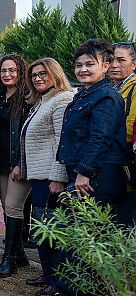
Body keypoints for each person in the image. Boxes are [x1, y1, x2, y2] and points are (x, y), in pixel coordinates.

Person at [55, 39, 128, 295]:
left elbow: (101, 137)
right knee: (78, 238)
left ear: (106, 65)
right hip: (83, 173)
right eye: (78, 65)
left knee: (91, 240)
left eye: (89, 64)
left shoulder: (106, 96)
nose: (82, 69)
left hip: (99, 176)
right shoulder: (85, 95)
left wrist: (84, 172)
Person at [21, 58, 73, 296]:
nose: (38, 78)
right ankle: (49, 274)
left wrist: (59, 177)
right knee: (41, 228)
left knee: (52, 229)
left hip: (51, 177)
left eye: (43, 74)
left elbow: (63, 141)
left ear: (55, 74)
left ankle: (58, 283)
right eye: (34, 75)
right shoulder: (41, 101)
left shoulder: (62, 100)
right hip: (38, 176)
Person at [0, 54, 32, 278]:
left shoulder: (28, 98)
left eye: (12, 70)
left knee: (14, 207)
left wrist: (19, 163)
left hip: (20, 164)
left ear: (21, 72)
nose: (7, 74)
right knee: (8, 208)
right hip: (2, 163)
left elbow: (27, 135)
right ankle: (20, 254)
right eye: (4, 70)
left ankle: (9, 260)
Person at [108, 41, 136, 227]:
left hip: (127, 168)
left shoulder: (134, 88)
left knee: (125, 226)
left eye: (121, 60)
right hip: (111, 169)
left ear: (134, 64)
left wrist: (101, 139)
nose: (114, 65)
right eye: (111, 60)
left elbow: (131, 126)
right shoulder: (110, 88)